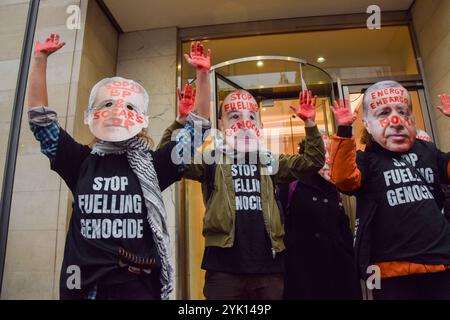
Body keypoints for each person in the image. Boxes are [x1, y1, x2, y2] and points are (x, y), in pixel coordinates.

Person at [27, 34, 210, 300]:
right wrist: (39, 59)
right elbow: (40, 121)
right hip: (85, 288)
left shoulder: (154, 165)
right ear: (94, 114)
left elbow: (197, 131)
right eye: (108, 104)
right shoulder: (79, 161)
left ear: (140, 119)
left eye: (126, 106)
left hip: (137, 288)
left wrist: (203, 75)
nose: (117, 111)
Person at [160, 82, 325, 299]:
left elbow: (313, 161)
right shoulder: (211, 160)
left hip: (269, 269)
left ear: (260, 125)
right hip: (223, 270)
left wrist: (310, 124)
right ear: (221, 124)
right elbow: (168, 161)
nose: (244, 124)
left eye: (251, 117)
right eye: (235, 117)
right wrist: (181, 121)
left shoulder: (269, 161)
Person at [329, 80, 450, 300]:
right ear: (367, 123)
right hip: (390, 268)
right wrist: (345, 130)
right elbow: (344, 178)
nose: (396, 121)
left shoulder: (428, 151)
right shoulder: (367, 161)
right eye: (384, 113)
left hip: (439, 262)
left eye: (402, 112)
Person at [279, 135, 361, 300]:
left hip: (338, 271)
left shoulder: (335, 188)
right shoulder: (290, 186)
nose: (328, 163)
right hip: (302, 273)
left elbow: (343, 230)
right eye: (322, 159)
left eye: (330, 158)